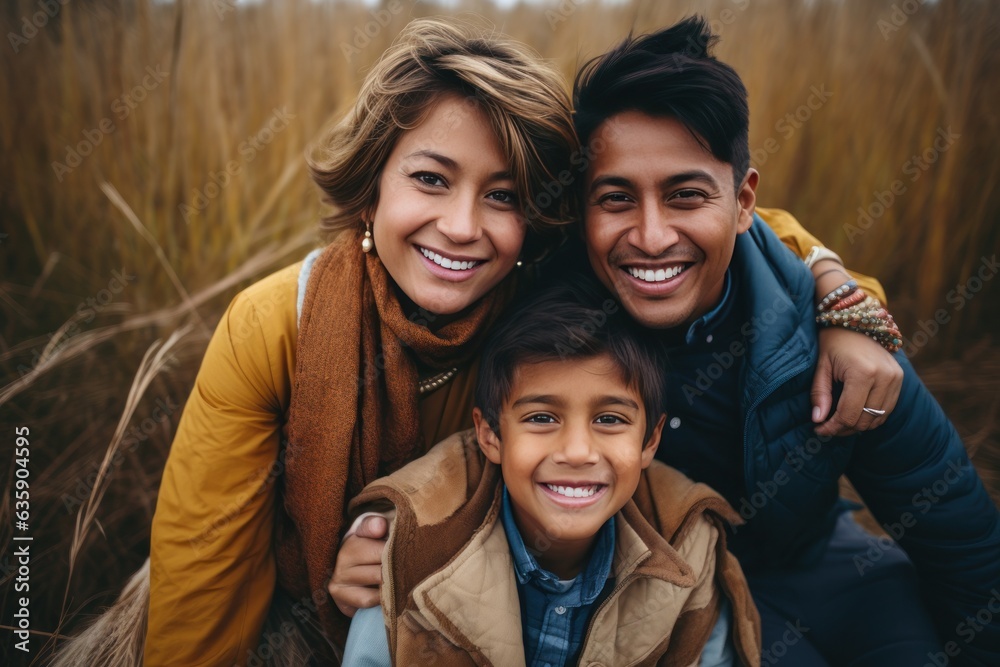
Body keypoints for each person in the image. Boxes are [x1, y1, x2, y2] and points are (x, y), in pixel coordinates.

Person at [134, 16, 899, 667]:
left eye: (502, 196)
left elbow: (754, 232)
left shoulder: (554, 294)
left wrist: (840, 294)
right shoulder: (275, 325)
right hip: (300, 608)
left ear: (534, 219)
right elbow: (201, 580)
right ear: (372, 187)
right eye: (431, 179)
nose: (463, 227)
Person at [568, 15, 1000, 666]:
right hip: (683, 605)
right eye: (616, 198)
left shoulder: (834, 333)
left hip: (838, 571)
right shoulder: (547, 336)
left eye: (685, 195)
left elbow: (961, 540)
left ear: (743, 203)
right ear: (579, 210)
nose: (652, 236)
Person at [341, 281, 762, 667]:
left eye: (610, 419)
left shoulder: (690, 547)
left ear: (649, 442)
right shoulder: (413, 547)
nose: (577, 452)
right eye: (542, 417)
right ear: (490, 435)